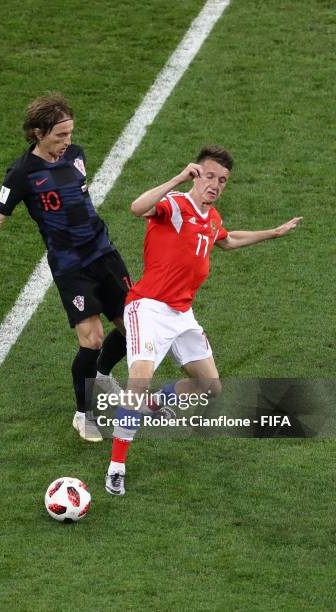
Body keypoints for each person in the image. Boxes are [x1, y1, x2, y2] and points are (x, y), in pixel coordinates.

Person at [105, 144, 303, 495]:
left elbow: (227, 241)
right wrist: (179, 177)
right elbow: (138, 208)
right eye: (210, 176)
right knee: (138, 382)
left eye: (222, 180)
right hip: (148, 307)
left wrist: (273, 233)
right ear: (197, 173)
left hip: (182, 315)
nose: (216, 184)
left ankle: (158, 403)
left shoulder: (211, 219)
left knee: (211, 387)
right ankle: (117, 466)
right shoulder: (176, 204)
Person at [0, 92, 131, 443]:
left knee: (133, 329)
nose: (67, 142)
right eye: (60, 135)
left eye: (70, 133)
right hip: (71, 265)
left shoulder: (76, 155)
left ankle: (102, 374)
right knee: (92, 339)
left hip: (104, 252)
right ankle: (82, 414)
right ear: (38, 133)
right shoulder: (22, 173)